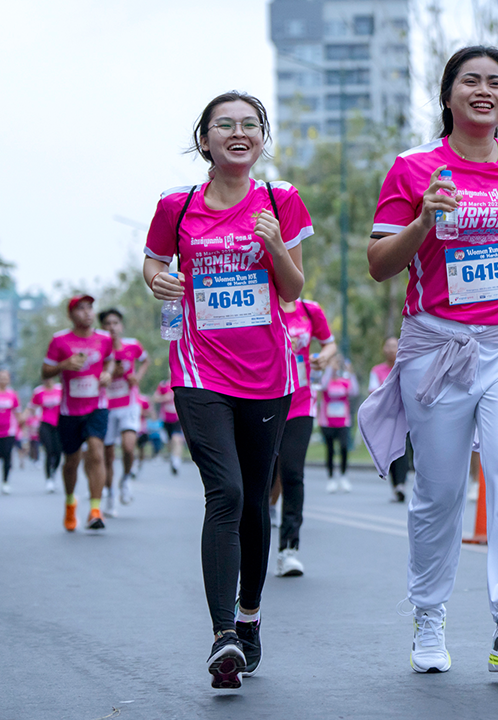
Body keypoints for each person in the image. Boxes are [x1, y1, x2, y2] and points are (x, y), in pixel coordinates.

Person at [360, 46, 498, 675]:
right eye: (471, 81)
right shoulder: (413, 168)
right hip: (437, 347)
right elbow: (380, 265)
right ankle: (430, 618)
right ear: (448, 94)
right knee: (439, 492)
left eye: (496, 83)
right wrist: (425, 218)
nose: (485, 91)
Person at [143, 91, 313, 689]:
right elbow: (154, 262)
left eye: (250, 125)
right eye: (225, 125)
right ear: (205, 139)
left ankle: (249, 617)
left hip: (267, 376)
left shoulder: (279, 200)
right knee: (227, 492)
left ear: (262, 138)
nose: (238, 132)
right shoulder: (177, 204)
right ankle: (222, 636)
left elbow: (293, 289)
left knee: (254, 505)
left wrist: (271, 245)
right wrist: (161, 280)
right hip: (199, 371)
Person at [273, 296, 336, 576]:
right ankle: (255, 542)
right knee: (263, 477)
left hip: (300, 401)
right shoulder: (260, 302)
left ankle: (289, 549)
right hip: (265, 399)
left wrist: (325, 356)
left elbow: (329, 342)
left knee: (292, 472)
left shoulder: (310, 310)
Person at [42, 295, 115, 532]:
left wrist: (108, 373)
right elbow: (45, 372)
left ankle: (95, 510)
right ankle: (71, 503)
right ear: (71, 314)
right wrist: (63, 365)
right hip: (70, 410)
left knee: (96, 451)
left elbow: (110, 361)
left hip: (97, 405)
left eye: (90, 307)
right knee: (71, 461)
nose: (87, 312)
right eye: (81, 308)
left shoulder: (104, 338)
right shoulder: (59, 340)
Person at [99, 309, 148, 514]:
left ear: (121, 326)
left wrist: (137, 376)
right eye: (107, 323)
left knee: (128, 447)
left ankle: (126, 479)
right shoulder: (98, 349)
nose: (112, 327)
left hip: (129, 404)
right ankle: (110, 494)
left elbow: (145, 360)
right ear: (102, 328)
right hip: (107, 407)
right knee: (108, 455)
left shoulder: (133, 345)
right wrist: (106, 376)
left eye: (116, 323)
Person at [369, 337, 410, 502]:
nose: (392, 349)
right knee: (391, 451)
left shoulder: (406, 367)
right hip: (386, 417)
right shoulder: (377, 370)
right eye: (389, 346)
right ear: (383, 349)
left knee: (404, 450)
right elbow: (373, 392)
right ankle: (395, 485)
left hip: (405, 416)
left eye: (395, 346)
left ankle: (401, 484)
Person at [318, 355, 358, 493]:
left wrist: (350, 372)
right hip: (327, 422)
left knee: (344, 448)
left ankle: (343, 477)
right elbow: (321, 386)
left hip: (343, 422)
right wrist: (329, 367)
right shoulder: (325, 380)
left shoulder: (344, 381)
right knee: (330, 450)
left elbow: (354, 391)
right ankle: (330, 479)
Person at [30, 378, 62, 493]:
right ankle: (48, 479)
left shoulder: (60, 389)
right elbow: (32, 408)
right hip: (45, 425)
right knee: (49, 451)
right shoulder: (39, 391)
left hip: (59, 425)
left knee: (58, 452)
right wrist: (32, 422)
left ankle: (54, 472)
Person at [153, 379, 184, 475]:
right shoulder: (163, 385)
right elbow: (155, 398)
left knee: (177, 439)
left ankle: (176, 461)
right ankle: (173, 457)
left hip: (177, 418)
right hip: (166, 419)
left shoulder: (182, 382)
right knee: (170, 442)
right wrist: (164, 398)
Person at [0, 370, 20, 494]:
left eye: (5, 378)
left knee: (7, 456)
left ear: (9, 380)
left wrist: (21, 429)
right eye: (1, 378)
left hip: (9, 431)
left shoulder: (12, 395)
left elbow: (17, 413)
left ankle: (6, 481)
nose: (3, 380)